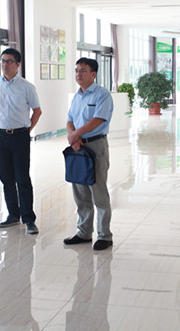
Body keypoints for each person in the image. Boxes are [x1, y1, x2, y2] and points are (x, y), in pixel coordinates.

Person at [0, 48, 42, 234]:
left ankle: (29, 219)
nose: (5, 64)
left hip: (20, 136)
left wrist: (28, 129)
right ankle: (13, 214)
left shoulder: (27, 87)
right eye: (3, 61)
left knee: (22, 178)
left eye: (9, 61)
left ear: (18, 64)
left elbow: (37, 111)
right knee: (6, 178)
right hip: (0, 136)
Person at [63, 58, 114, 251]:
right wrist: (73, 136)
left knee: (98, 192)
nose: (78, 74)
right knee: (80, 192)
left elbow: (98, 119)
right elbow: (70, 119)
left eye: (83, 71)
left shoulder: (102, 94)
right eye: (76, 70)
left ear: (93, 74)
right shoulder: (77, 96)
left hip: (95, 145)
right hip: (78, 147)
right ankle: (83, 232)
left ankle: (104, 235)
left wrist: (76, 134)